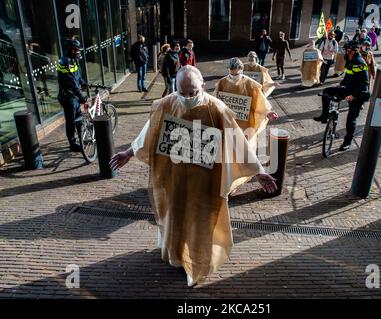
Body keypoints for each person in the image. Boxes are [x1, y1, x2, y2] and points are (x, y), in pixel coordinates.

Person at [109, 65, 278, 287]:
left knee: (200, 223)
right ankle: (177, 255)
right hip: (174, 178)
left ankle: (196, 265)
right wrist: (129, 153)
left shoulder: (217, 109)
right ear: (175, 88)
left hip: (205, 181)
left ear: (203, 86)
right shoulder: (167, 104)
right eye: (182, 92)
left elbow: (238, 141)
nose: (188, 97)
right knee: (176, 217)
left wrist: (259, 171)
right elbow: (148, 133)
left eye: (193, 92)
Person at [313, 41, 370, 151]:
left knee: (351, 120)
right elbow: (348, 77)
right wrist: (341, 85)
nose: (345, 52)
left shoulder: (360, 63)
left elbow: (364, 83)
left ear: (353, 51)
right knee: (326, 91)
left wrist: (353, 96)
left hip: (358, 94)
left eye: (347, 51)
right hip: (348, 89)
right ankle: (325, 116)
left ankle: (347, 142)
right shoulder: (351, 61)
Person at [214, 57, 278, 151]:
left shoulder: (250, 84)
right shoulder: (222, 82)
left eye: (236, 74)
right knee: (229, 148)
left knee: (244, 150)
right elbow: (215, 100)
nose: (234, 77)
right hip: (228, 122)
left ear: (241, 70)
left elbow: (260, 100)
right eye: (231, 74)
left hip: (245, 123)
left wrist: (268, 112)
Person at [57, 39, 88, 152]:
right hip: (68, 97)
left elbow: (77, 77)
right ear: (71, 50)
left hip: (73, 96)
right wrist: (81, 97)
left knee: (79, 119)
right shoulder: (66, 63)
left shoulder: (73, 60)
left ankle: (81, 138)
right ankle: (72, 144)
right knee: (71, 122)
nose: (78, 52)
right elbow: (72, 83)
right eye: (76, 50)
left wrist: (83, 83)